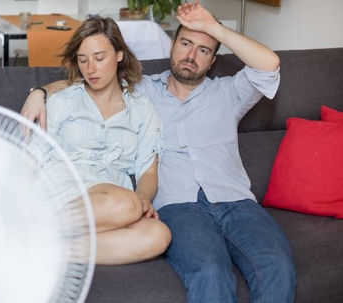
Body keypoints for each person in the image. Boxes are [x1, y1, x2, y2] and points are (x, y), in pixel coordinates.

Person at [22, 1, 297, 302]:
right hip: (180, 207)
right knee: (210, 273)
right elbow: (93, 77)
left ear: (213, 60)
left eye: (203, 50)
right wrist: (40, 91)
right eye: (186, 43)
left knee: (278, 267)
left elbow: (269, 64)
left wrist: (213, 27)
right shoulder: (142, 92)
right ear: (171, 45)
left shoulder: (230, 92)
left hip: (236, 201)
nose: (191, 55)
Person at [30, 16, 171, 266]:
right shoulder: (63, 101)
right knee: (127, 205)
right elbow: (34, 156)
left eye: (99, 58)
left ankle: (50, 248)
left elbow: (148, 172)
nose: (90, 69)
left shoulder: (142, 109)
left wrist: (142, 200)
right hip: (64, 191)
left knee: (158, 235)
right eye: (82, 60)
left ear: (119, 55)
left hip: (112, 203)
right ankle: (33, 224)